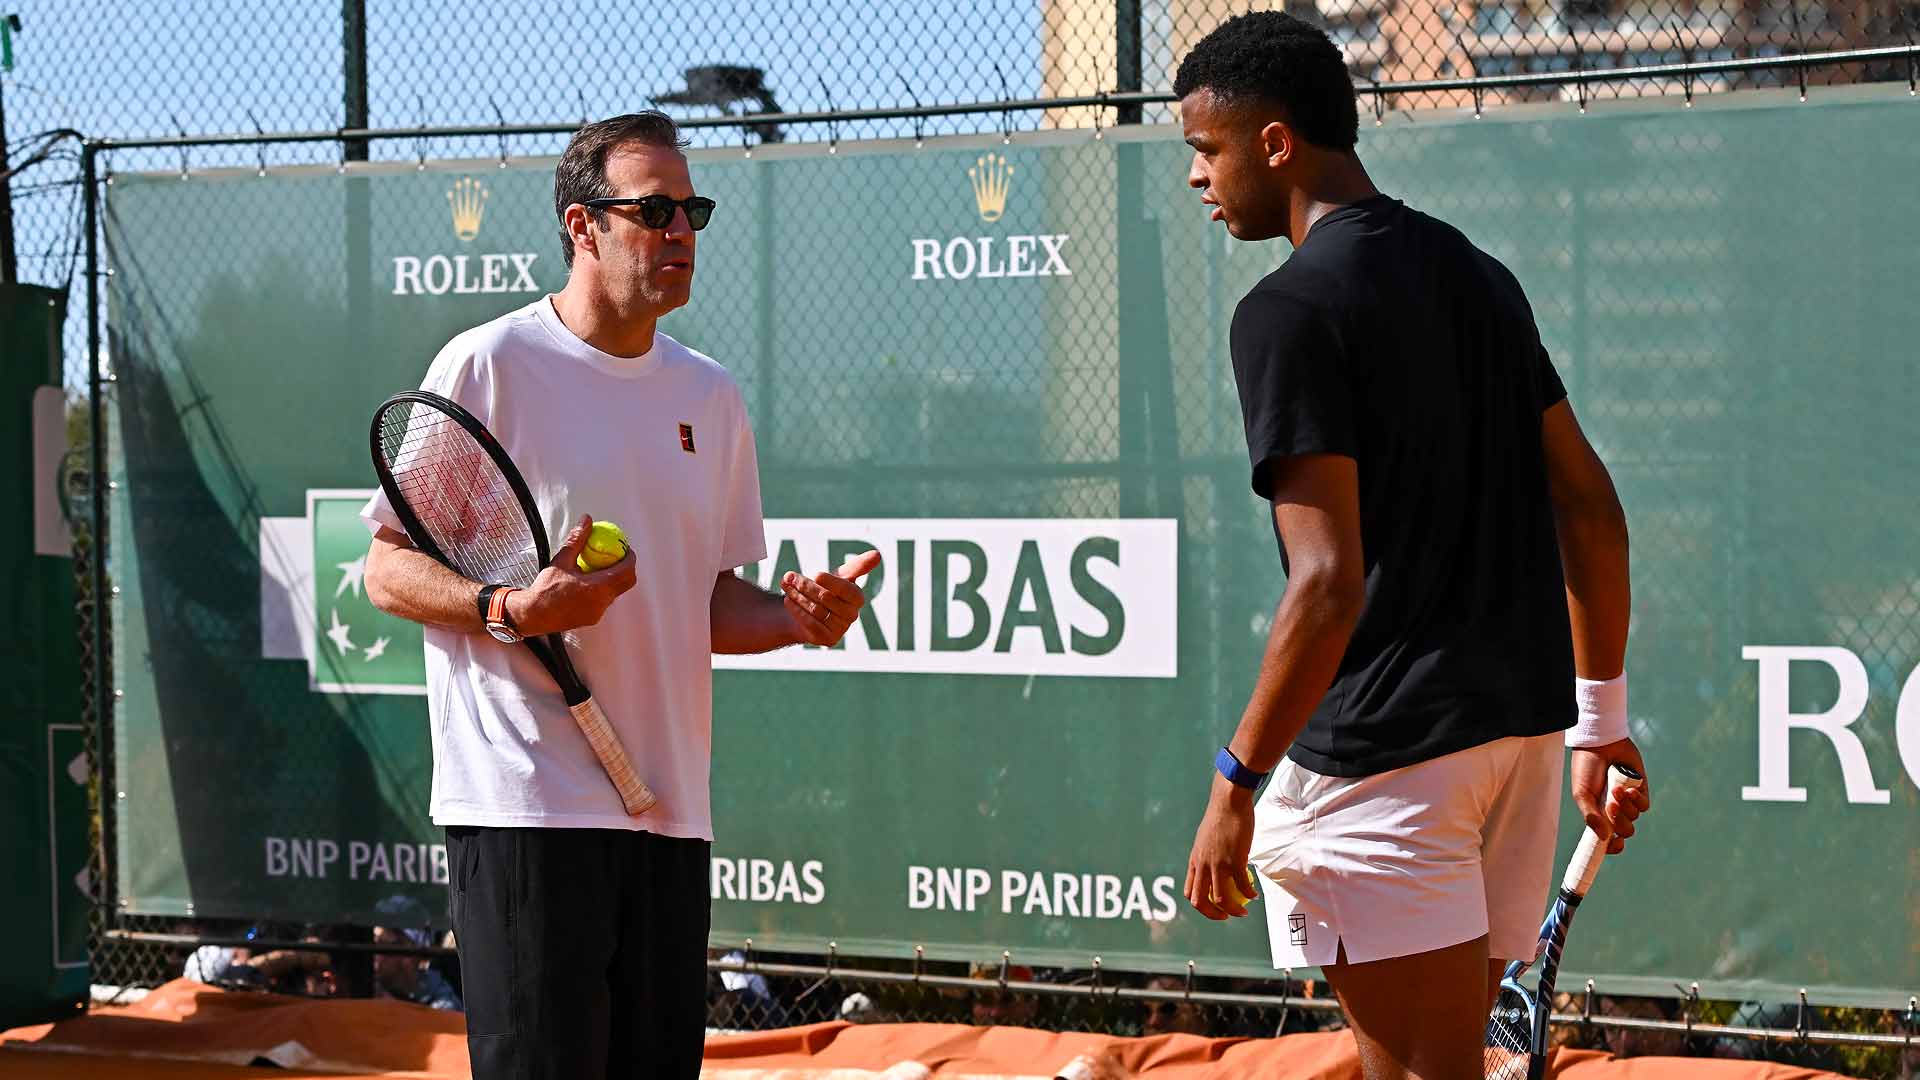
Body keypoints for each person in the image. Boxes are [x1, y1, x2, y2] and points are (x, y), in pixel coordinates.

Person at [1170, 14, 1651, 1080]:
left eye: (1207, 151)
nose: (1198, 178)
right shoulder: (1483, 277)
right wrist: (1598, 724)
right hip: (1515, 753)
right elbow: (1590, 508)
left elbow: (1327, 582)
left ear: (1277, 143)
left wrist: (1234, 783)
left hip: (1386, 767)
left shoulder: (1284, 312)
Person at [362, 110, 879, 1079]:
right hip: (525, 811)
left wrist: (798, 619)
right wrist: (508, 610)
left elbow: (709, 603)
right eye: (653, 210)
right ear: (581, 226)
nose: (680, 231)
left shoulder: (709, 397)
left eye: (691, 211)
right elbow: (386, 566)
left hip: (669, 814)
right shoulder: (488, 366)